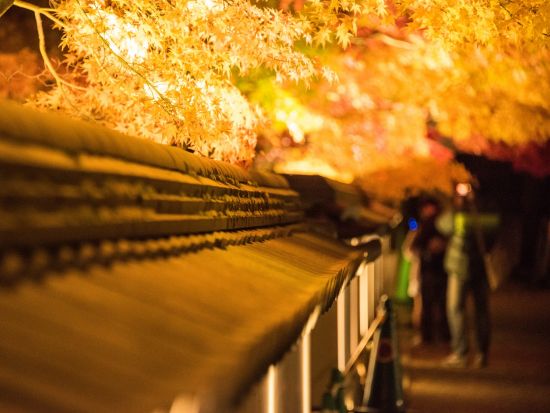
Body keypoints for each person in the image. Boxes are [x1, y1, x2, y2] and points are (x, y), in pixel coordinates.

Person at [437, 183, 491, 368]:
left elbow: (444, 226)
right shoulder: (486, 209)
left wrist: (458, 206)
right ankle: (480, 354)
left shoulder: (464, 212)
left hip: (461, 267)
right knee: (479, 310)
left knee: (456, 308)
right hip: (476, 267)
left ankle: (462, 352)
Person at [411, 198, 450, 345]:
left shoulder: (443, 226)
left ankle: (442, 335)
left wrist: (443, 246)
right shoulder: (423, 227)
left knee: (442, 305)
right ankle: (429, 336)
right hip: (428, 271)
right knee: (428, 305)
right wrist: (428, 250)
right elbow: (413, 248)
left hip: (440, 271)